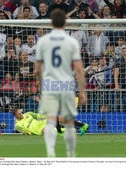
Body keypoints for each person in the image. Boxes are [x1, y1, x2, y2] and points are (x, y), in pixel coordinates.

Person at [34, 9, 86, 157]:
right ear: (65, 23)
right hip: (66, 83)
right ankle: (70, 153)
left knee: (50, 119)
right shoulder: (71, 41)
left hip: (50, 83)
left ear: (51, 23)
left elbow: (37, 70)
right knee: (68, 121)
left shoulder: (43, 41)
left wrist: (41, 84)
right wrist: (82, 91)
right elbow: (79, 69)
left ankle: (50, 151)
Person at [12, 108, 88, 136]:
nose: (21, 114)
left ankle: (83, 125)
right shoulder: (17, 125)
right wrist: (26, 132)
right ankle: (65, 130)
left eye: (20, 112)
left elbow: (39, 116)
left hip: (42, 123)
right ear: (15, 116)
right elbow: (25, 132)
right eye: (19, 114)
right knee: (45, 131)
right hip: (39, 130)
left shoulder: (27, 114)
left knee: (59, 118)